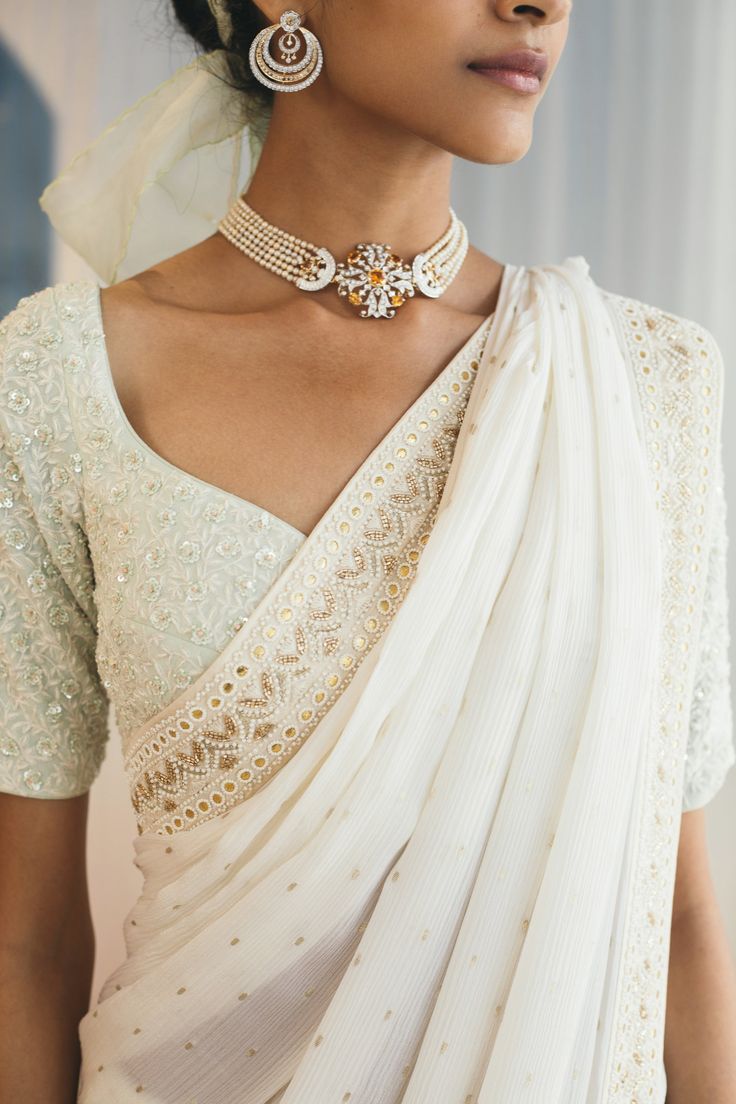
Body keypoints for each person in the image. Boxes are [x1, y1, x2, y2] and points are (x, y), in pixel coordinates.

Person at [1, 1, 735, 1101]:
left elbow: (672, 917)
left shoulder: (642, 387)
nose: (537, 3)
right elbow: (27, 942)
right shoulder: (61, 380)